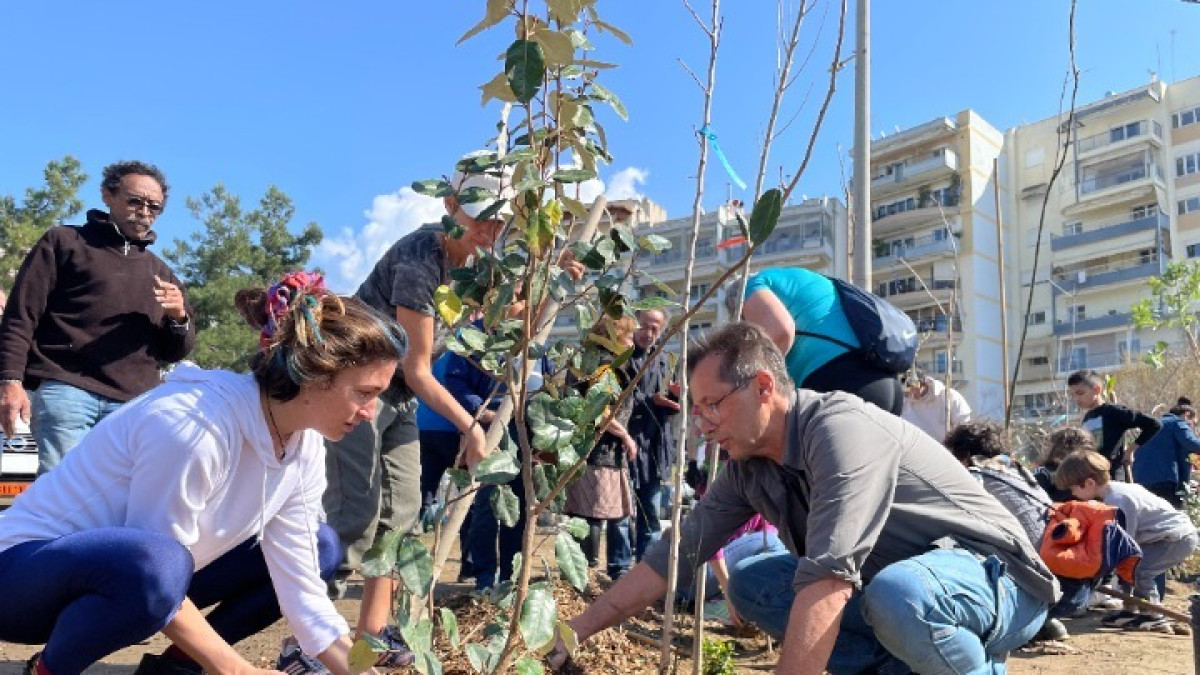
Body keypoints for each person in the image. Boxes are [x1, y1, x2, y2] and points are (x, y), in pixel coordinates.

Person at [550, 323, 1058, 674]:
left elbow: (831, 577)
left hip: (998, 582)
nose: (702, 426)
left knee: (898, 596)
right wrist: (574, 631)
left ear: (763, 387)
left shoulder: (839, 429)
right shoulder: (747, 466)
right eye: (696, 411)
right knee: (754, 585)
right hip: (905, 588)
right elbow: (673, 558)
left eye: (711, 407)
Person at [0, 273, 400, 675]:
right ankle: (49, 670)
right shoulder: (195, 426)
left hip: (141, 578)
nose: (369, 414)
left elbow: (301, 589)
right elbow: (149, 567)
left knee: (321, 548)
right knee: (160, 562)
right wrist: (238, 670)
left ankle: (178, 669)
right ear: (315, 374)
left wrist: (359, 672)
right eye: (364, 393)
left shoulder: (303, 447)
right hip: (23, 579)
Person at [321, 151, 513, 665]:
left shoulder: (475, 266)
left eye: (501, 218)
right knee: (354, 516)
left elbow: (506, 314)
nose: (492, 229)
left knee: (402, 515)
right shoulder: (419, 261)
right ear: (452, 205)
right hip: (356, 387)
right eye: (481, 216)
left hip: (397, 400)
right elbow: (418, 367)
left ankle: (370, 640)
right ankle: (308, 638)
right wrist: (469, 425)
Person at [0, 161, 196, 474]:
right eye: (135, 201)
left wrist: (178, 317)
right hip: (67, 391)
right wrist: (10, 382)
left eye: (154, 206)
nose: (144, 211)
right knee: (65, 495)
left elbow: (175, 351)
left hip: (134, 405)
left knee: (120, 501)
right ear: (107, 195)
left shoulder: (161, 272)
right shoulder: (63, 243)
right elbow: (21, 315)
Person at [942, 420, 1069, 641]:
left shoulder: (975, 475)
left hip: (1031, 572)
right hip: (1061, 566)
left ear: (962, 454)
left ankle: (1009, 619)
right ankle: (1042, 619)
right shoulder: (1018, 471)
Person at [1055, 451, 1199, 631]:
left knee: (1140, 570)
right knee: (1128, 567)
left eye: (1073, 488)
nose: (1073, 493)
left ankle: (1154, 614)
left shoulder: (1119, 499)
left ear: (1089, 483)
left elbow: (1125, 541)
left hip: (1177, 538)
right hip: (1157, 537)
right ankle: (1130, 608)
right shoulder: (1112, 493)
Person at [728, 267, 903, 415]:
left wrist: (752, 386)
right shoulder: (800, 279)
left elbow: (781, 332)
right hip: (885, 381)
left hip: (839, 381)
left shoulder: (750, 287)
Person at [564, 315, 638, 581]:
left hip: (586, 451)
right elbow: (600, 411)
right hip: (600, 452)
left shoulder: (585, 362)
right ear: (615, 339)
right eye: (628, 337)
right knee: (595, 513)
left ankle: (581, 572)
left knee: (587, 512)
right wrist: (626, 436)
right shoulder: (606, 368)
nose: (632, 342)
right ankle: (591, 571)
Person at [624, 308, 680, 560]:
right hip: (625, 445)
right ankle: (620, 572)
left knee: (651, 512)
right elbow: (616, 402)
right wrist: (651, 400)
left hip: (656, 446)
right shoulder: (621, 358)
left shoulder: (666, 361)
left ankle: (647, 568)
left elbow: (672, 405)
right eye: (644, 326)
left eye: (654, 329)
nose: (648, 333)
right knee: (622, 514)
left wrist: (675, 398)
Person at [1067, 369, 1160, 481]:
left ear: (1097, 390)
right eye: (1073, 395)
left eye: (1080, 393)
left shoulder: (1114, 411)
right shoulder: (1087, 417)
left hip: (1113, 476)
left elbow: (1153, 424)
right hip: (1093, 476)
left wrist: (1131, 450)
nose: (1076, 399)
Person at [1132, 397, 1200, 508]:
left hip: (1140, 480)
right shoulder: (1177, 423)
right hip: (1163, 480)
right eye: (1193, 423)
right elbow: (1192, 443)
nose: (1191, 428)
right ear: (1187, 415)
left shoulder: (1153, 425)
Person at [901, 367, 971, 442]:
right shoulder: (905, 405)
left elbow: (964, 427)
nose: (912, 391)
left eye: (915, 386)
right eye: (908, 387)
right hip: (919, 449)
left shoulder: (949, 396)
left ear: (923, 381)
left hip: (948, 449)